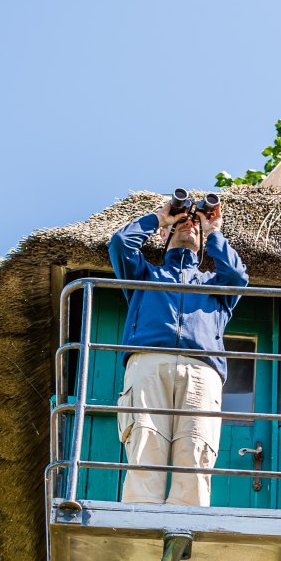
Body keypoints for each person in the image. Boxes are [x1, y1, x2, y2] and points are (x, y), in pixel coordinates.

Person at [107, 194, 249, 506]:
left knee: (196, 448)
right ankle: (139, 520)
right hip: (148, 363)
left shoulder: (216, 286)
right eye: (182, 222)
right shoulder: (144, 276)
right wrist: (159, 218)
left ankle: (188, 528)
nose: (189, 226)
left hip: (202, 370)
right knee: (145, 440)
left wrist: (213, 230)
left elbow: (238, 276)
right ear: (164, 235)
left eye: (194, 225)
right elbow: (120, 245)